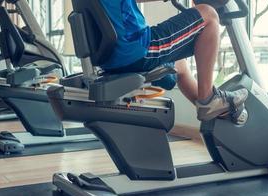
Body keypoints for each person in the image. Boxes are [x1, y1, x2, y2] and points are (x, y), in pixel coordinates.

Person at [99, 0, 248, 121]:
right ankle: (207, 99)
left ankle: (216, 112)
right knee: (209, 15)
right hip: (137, 49)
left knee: (180, 66)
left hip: (115, 57)